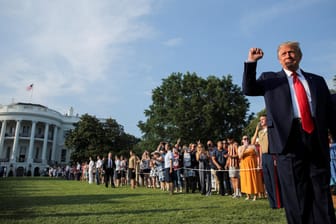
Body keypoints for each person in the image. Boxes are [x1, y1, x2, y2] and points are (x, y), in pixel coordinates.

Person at [243, 41, 336, 224]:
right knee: (295, 192)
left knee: (320, 189)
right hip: (288, 141)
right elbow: (249, 89)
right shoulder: (270, 79)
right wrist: (251, 62)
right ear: (279, 59)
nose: (288, 56)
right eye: (284, 54)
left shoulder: (316, 80)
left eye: (292, 52)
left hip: (315, 138)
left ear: (299, 56)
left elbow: (330, 112)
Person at [251, 115, 282, 209]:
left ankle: (279, 203)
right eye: (260, 120)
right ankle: (272, 203)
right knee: (267, 181)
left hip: (271, 155)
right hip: (264, 156)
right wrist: (256, 130)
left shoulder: (271, 131)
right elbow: (253, 143)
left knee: (274, 180)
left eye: (263, 119)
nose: (261, 121)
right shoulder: (260, 132)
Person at [238, 136, 264, 201]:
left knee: (254, 179)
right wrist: (244, 148)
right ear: (242, 141)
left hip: (253, 165)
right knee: (245, 179)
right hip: (244, 166)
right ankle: (248, 196)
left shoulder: (253, 146)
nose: (246, 140)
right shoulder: (240, 147)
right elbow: (240, 157)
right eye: (244, 139)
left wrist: (258, 165)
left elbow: (258, 156)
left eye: (247, 138)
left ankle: (255, 195)